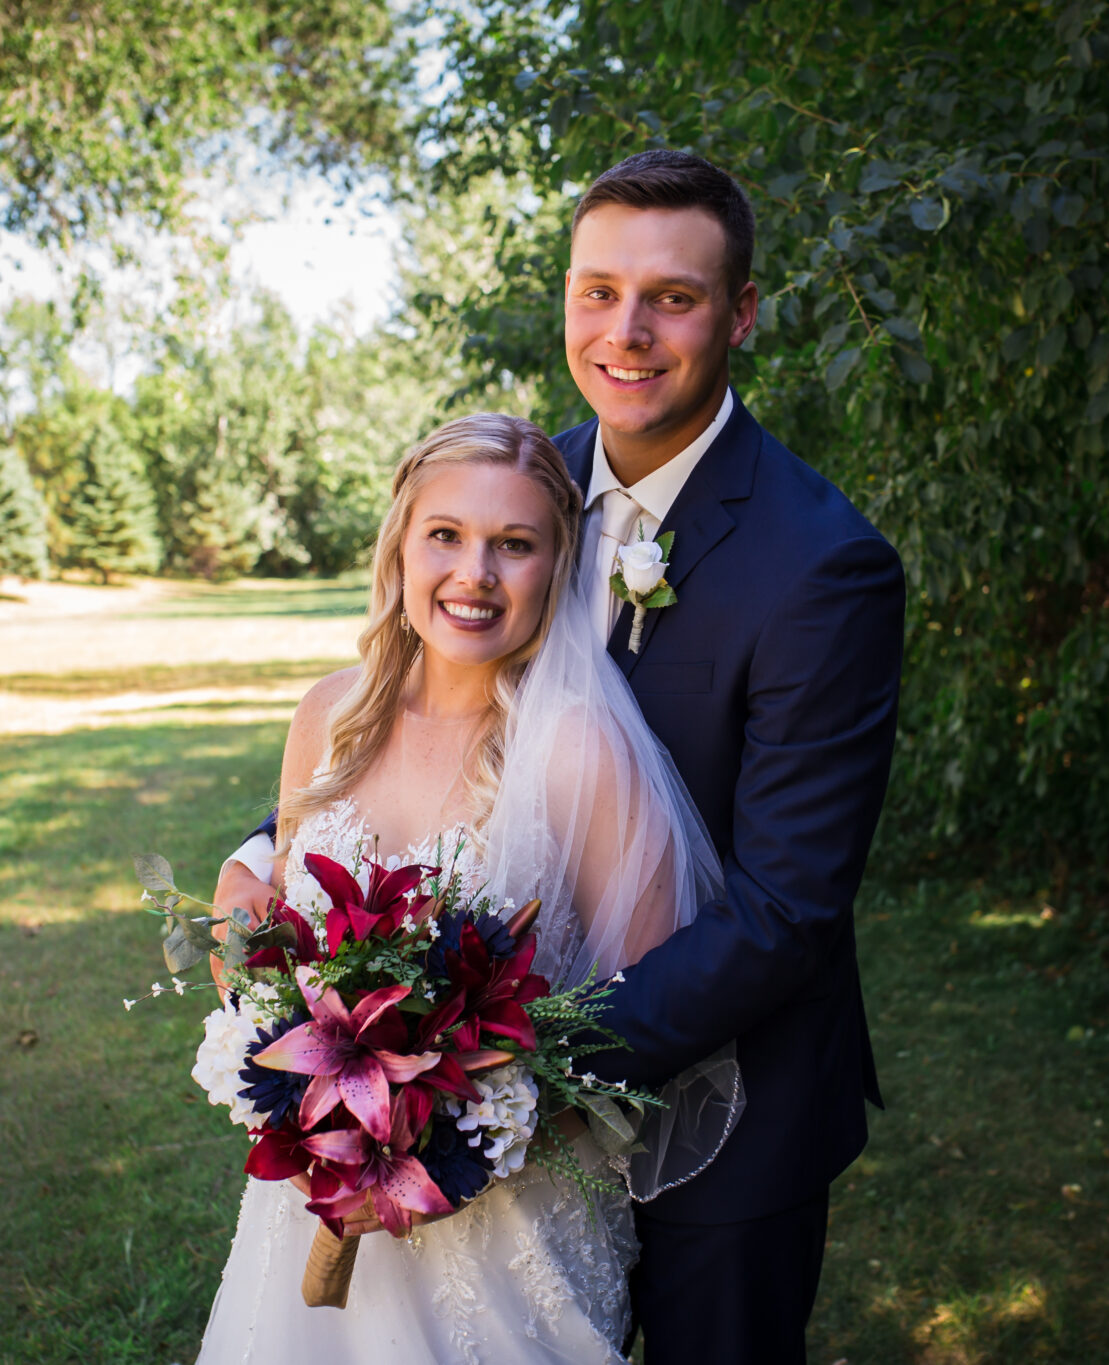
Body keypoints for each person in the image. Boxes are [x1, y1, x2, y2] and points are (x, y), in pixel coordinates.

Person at [211, 149, 904, 1364]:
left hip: (724, 1116)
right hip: (457, 1104)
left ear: (739, 312)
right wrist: (265, 856)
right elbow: (414, 717)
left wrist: (470, 1079)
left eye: (672, 297)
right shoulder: (521, 491)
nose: (624, 331)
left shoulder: (821, 566)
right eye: (596, 291)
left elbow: (784, 911)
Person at [195, 410, 732, 1363]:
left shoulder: (578, 751)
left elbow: (643, 1029)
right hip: (306, 1208)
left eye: (514, 545)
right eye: (446, 534)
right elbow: (279, 923)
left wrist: (456, 1137)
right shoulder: (328, 715)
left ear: (556, 568)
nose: (474, 574)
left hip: (502, 1238)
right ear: (401, 545)